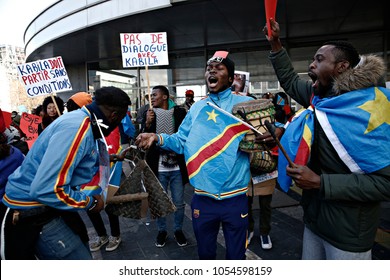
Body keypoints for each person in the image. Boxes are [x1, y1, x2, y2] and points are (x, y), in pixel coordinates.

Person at [264, 18, 390, 259]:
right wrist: (276, 44)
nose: (311, 65)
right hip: (314, 222)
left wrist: (321, 183)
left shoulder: (372, 108)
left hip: (348, 235)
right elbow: (290, 81)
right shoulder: (320, 99)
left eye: (319, 60)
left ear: (342, 67)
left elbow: (385, 184)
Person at [136, 51, 253, 259]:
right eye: (209, 69)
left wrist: (274, 133)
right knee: (205, 255)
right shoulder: (198, 107)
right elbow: (181, 141)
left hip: (235, 197)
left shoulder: (244, 104)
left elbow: (270, 129)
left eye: (219, 68)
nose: (212, 72)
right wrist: (157, 137)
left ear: (230, 76)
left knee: (236, 257)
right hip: (203, 198)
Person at [1, 86, 131, 260]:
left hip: (49, 207)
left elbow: (81, 155)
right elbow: (46, 189)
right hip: (35, 211)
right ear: (114, 116)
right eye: (121, 119)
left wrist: (113, 157)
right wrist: (90, 203)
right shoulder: (77, 128)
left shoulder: (85, 119)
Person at [140, 85, 189, 248]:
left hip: (176, 168)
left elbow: (186, 136)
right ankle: (162, 231)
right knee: (160, 202)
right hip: (158, 167)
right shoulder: (149, 113)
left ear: (165, 97)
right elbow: (140, 139)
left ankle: (178, 230)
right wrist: (147, 123)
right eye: (150, 95)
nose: (151, 98)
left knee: (179, 203)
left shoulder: (180, 113)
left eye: (155, 95)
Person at [247, 91, 294, 250]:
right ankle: (249, 229)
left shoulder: (272, 118)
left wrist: (279, 130)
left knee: (265, 203)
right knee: (246, 203)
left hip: (267, 167)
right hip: (247, 168)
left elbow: (285, 126)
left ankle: (264, 232)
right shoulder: (241, 122)